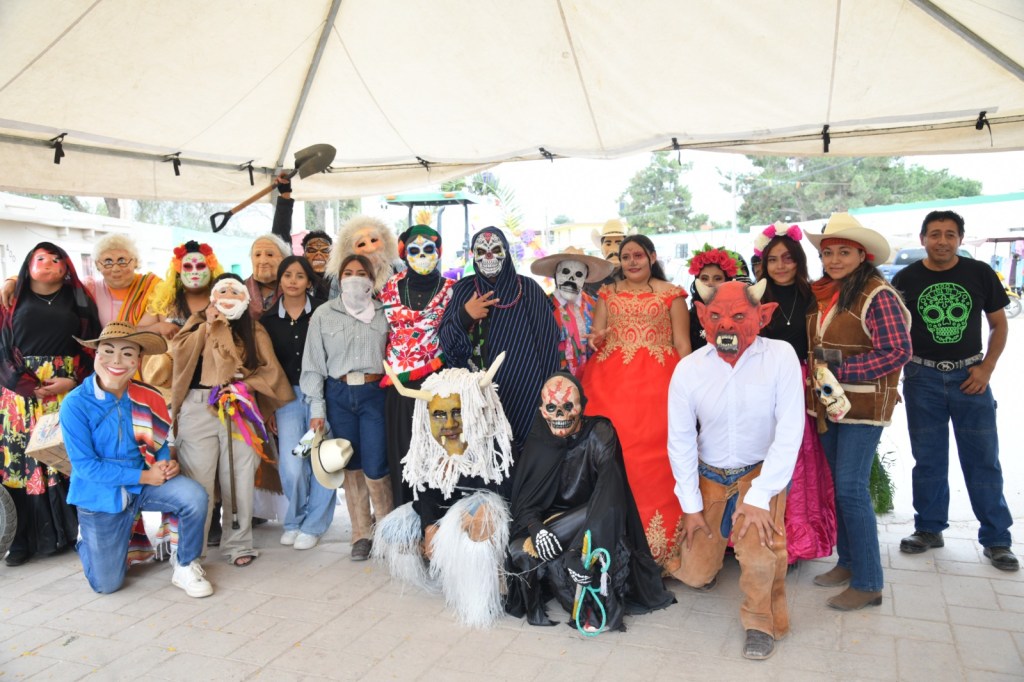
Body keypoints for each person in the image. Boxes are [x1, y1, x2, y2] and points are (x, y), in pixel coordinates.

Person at [668, 279, 804, 660]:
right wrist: (691, 506)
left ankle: (760, 621)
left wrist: (760, 496)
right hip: (709, 476)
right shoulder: (689, 369)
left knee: (760, 556)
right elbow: (680, 439)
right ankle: (703, 565)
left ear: (763, 316)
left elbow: (790, 430)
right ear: (701, 317)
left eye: (739, 316)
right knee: (695, 572)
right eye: (716, 316)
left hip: (757, 475)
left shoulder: (780, 356)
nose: (726, 325)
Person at [892, 210, 1017, 571]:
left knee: (983, 460)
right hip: (922, 378)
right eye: (935, 234)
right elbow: (895, 334)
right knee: (928, 459)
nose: (942, 241)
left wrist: (987, 368)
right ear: (923, 239)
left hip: (971, 377)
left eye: (950, 234)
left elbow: (998, 325)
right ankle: (929, 528)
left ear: (960, 239)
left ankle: (997, 539)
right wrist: (893, 380)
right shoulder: (905, 279)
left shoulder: (979, 273)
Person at [505, 372, 675, 632]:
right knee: (520, 550)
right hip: (554, 525)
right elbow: (525, 502)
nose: (560, 414)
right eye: (551, 408)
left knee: (582, 567)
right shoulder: (539, 439)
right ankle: (563, 571)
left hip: (594, 518)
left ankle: (576, 572)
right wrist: (535, 528)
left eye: (568, 406)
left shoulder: (600, 433)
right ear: (542, 411)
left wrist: (578, 550)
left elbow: (610, 495)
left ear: (581, 406)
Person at [806, 213, 912, 610]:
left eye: (843, 252)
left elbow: (898, 351)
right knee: (841, 487)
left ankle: (869, 583)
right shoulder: (831, 292)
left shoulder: (876, 294)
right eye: (828, 252)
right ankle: (849, 562)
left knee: (851, 489)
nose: (834, 260)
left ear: (862, 255)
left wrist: (842, 371)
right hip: (831, 403)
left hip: (863, 406)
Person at [60, 321, 212, 597]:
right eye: (108, 351)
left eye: (127, 353)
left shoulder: (149, 396)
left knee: (193, 496)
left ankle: (185, 564)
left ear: (138, 360)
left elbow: (160, 442)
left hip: (144, 485)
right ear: (96, 354)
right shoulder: (75, 403)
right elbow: (86, 467)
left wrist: (165, 464)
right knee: (107, 585)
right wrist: (145, 476)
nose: (117, 361)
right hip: (101, 495)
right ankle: (89, 541)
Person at [372, 360, 514, 628]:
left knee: (479, 522)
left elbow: (502, 494)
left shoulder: (494, 442)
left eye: (457, 412)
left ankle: (480, 599)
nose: (449, 423)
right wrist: (429, 526)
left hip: (476, 516)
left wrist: (456, 521)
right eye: (439, 415)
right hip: (446, 513)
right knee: (394, 530)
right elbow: (427, 492)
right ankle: (443, 573)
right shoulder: (430, 446)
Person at [171, 273, 293, 567]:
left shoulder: (254, 329)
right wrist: (208, 326)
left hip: (238, 407)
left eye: (234, 292)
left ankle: (239, 544)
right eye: (221, 291)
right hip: (198, 407)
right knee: (198, 482)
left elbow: (271, 372)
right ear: (212, 298)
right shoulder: (196, 324)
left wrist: (246, 385)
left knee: (239, 478)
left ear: (245, 299)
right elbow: (179, 354)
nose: (227, 297)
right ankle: (192, 551)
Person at [583, 235, 689, 570]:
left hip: (659, 385)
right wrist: (597, 338)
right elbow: (597, 334)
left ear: (652, 257)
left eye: (638, 255)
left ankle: (662, 550)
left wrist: (690, 390)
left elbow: (683, 345)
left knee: (656, 460)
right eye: (626, 256)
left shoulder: (672, 294)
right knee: (615, 455)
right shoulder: (607, 293)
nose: (632, 262)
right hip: (610, 385)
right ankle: (611, 544)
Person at [0, 243, 100, 566]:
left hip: (65, 392)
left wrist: (74, 381)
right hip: (19, 395)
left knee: (64, 457)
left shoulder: (79, 299)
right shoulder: (11, 298)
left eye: (56, 259)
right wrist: (27, 385)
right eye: (40, 258)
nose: (48, 263)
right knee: (18, 465)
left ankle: (69, 534)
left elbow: (93, 346)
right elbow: (2, 346)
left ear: (66, 266)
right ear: (28, 264)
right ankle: (20, 541)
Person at [754, 223, 837, 564]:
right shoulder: (755, 296)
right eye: (773, 259)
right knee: (761, 455)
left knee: (801, 460)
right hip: (761, 387)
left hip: (805, 386)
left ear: (799, 260)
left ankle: (796, 542)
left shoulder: (815, 295)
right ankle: (756, 540)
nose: (780, 266)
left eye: (788, 258)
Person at [302, 255, 391, 560]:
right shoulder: (324, 314)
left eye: (361, 273)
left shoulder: (384, 313)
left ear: (372, 279)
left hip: (374, 393)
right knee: (351, 464)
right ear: (339, 279)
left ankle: (387, 531)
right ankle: (361, 534)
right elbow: (313, 364)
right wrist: (317, 409)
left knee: (376, 464)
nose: (354, 278)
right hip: (338, 394)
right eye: (348, 273)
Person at [438, 226, 559, 448]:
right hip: (479, 398)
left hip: (528, 394)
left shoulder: (529, 289)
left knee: (528, 457)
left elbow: (548, 344)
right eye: (481, 251)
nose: (489, 257)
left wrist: (551, 392)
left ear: (506, 251)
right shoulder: (464, 289)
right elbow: (447, 344)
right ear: (473, 255)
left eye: (495, 249)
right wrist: (465, 316)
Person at [261, 256, 334, 551]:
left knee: (321, 461)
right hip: (288, 400)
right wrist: (269, 406)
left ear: (309, 281)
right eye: (287, 275)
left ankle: (313, 525)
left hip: (322, 397)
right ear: (279, 279)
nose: (293, 281)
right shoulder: (267, 320)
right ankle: (295, 520)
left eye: (300, 276)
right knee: (293, 463)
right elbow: (265, 367)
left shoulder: (324, 311)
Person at [379, 226, 454, 505]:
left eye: (428, 249)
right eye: (414, 250)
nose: (422, 255)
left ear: (439, 252)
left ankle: (436, 518)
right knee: (402, 450)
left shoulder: (451, 290)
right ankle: (405, 517)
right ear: (403, 254)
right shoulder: (387, 289)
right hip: (398, 383)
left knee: (437, 450)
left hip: (437, 382)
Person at [530, 247, 613, 378]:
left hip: (591, 378)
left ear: (585, 278)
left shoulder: (595, 305)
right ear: (556, 274)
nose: (571, 279)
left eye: (578, 274)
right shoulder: (542, 306)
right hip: (556, 379)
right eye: (565, 272)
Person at [687, 244, 742, 351]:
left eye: (717, 278)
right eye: (704, 278)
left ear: (727, 281)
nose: (710, 283)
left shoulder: (739, 313)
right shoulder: (689, 317)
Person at [327, 215, 402, 295]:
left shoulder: (398, 269)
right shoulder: (342, 276)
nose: (370, 249)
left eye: (374, 240)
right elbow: (335, 302)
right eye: (361, 244)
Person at [245, 234, 291, 319]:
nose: (263, 261)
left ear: (284, 259)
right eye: (257, 255)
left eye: (270, 255)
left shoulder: (295, 290)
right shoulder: (239, 288)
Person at [584, 218, 629, 296]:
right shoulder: (591, 279)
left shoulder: (636, 275)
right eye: (608, 244)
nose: (613, 249)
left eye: (619, 244)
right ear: (601, 248)